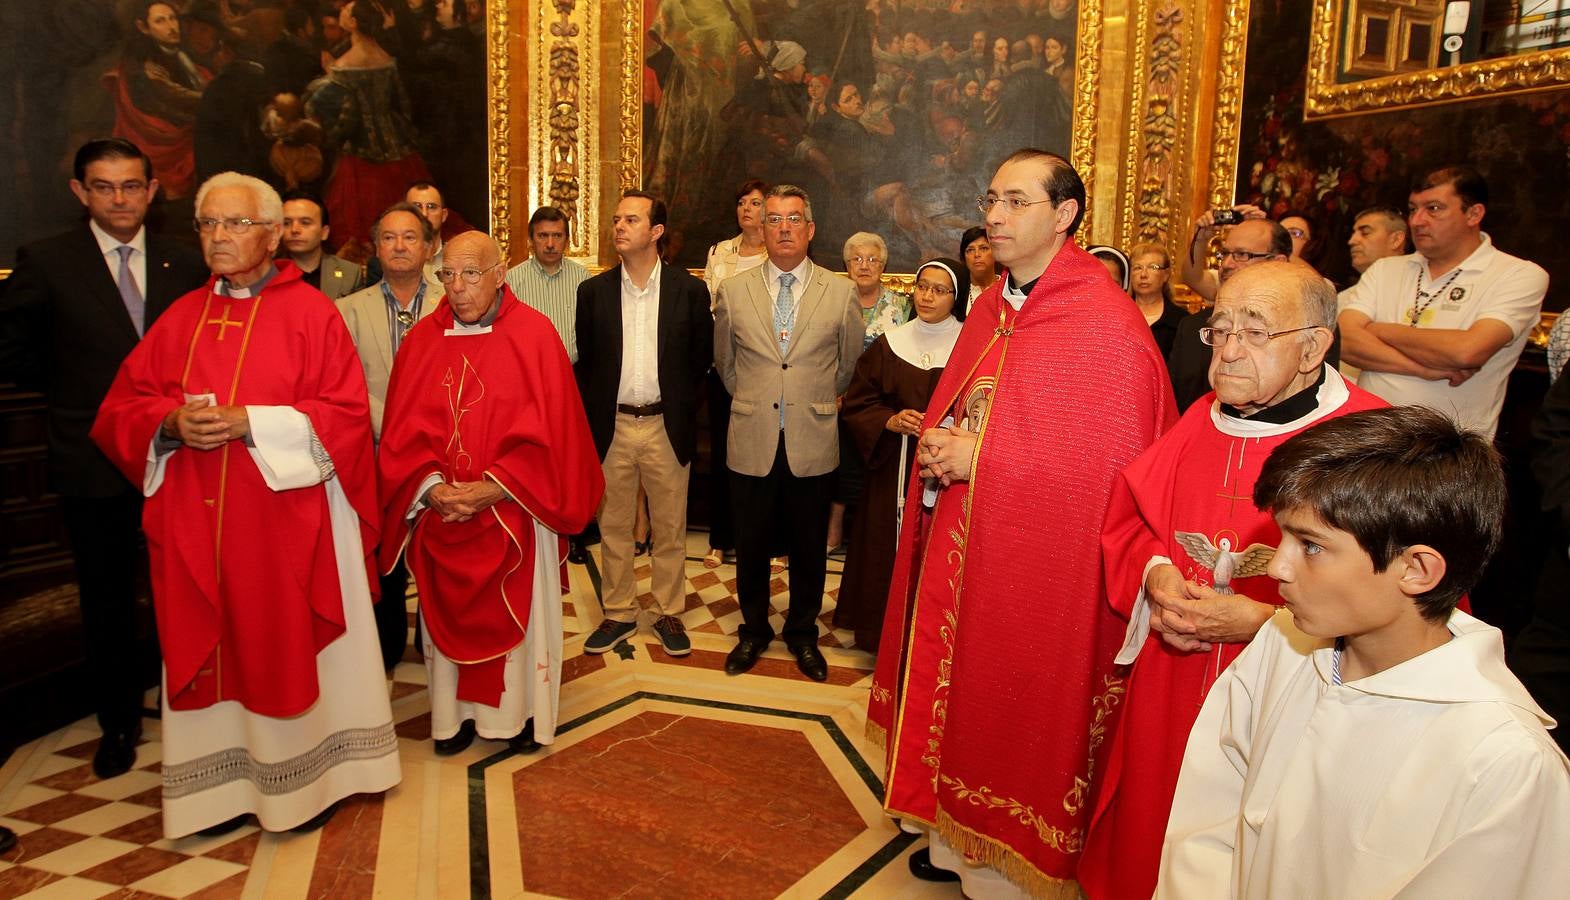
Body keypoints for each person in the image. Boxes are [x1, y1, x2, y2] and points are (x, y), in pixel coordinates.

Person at [870, 149, 1175, 896]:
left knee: (1010, 705)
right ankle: (952, 838)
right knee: (956, 685)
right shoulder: (996, 305)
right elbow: (972, 403)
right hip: (965, 544)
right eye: (991, 201)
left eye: (1015, 202)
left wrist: (984, 456)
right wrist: (945, 448)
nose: (995, 217)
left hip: (1038, 571)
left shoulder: (1102, 323)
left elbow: (1111, 475)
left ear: (1065, 214)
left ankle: (1006, 859)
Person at [89, 171, 400, 837]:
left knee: (283, 644)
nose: (219, 237)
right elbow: (121, 406)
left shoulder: (312, 314)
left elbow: (345, 416)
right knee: (212, 641)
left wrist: (251, 423)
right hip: (200, 530)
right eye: (208, 225)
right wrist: (170, 425)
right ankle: (216, 792)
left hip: (286, 526)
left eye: (235, 224)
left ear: (270, 234)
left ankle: (308, 784)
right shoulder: (181, 316)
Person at [1156, 406, 1570, 898]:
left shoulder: (1505, 763)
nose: (1277, 568)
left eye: (1310, 545)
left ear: (1417, 569)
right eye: (1282, 536)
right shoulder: (1282, 646)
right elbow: (1209, 818)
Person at [1077, 261, 1386, 900]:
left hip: (1302, 692)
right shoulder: (1202, 419)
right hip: (1175, 676)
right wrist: (1157, 576)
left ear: (1314, 347)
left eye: (1254, 332)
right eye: (1220, 329)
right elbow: (1133, 520)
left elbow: (1407, 605)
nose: (1229, 350)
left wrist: (1267, 623)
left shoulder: (1374, 441)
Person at [0, 139, 207, 779]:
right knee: (108, 598)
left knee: (191, 586)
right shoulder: (48, 260)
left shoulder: (186, 260)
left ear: (152, 190)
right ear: (81, 192)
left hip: (181, 456)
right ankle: (117, 723)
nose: (119, 199)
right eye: (104, 186)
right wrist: (80, 395)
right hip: (93, 459)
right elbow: (13, 350)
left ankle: (197, 706)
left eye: (131, 186)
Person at [378, 231, 603, 756]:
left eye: (471, 274)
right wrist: (431, 488)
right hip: (443, 519)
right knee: (444, 628)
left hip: (516, 514)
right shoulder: (421, 344)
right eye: (448, 275)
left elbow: (559, 437)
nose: (457, 288)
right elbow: (400, 436)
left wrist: (495, 487)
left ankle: (521, 718)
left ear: (501, 274)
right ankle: (451, 721)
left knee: (521, 631)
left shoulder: (535, 336)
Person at [713, 184, 865, 682]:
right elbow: (726, 366)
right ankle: (753, 631)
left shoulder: (840, 292)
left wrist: (811, 398)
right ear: (762, 226)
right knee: (751, 544)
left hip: (812, 436)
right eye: (773, 219)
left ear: (810, 229)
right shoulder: (733, 292)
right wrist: (759, 399)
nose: (782, 228)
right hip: (753, 434)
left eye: (793, 219)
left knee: (808, 547)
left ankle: (803, 634)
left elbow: (847, 367)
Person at [576, 191, 712, 657]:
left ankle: (668, 609)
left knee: (670, 527)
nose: (619, 227)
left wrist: (675, 407)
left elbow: (700, 361)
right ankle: (618, 612)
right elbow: (590, 363)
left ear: (655, 232)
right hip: (612, 425)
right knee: (612, 525)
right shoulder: (592, 292)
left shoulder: (689, 291)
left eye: (630, 220)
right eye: (616, 219)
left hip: (664, 423)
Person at [1338, 165, 1547, 439]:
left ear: (1474, 214)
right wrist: (1424, 369)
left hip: (1450, 454)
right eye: (1413, 209)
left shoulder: (1518, 274)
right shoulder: (1385, 269)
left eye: (1433, 209)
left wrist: (1378, 329)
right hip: (1369, 441)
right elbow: (1343, 339)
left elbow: (1468, 351)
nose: (1417, 221)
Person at [834, 258, 966, 652]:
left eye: (939, 289)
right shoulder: (891, 344)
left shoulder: (970, 345)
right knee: (883, 546)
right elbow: (859, 402)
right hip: (893, 464)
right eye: (922, 286)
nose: (927, 296)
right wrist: (890, 421)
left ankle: (932, 636)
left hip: (947, 468)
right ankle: (881, 630)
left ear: (955, 297)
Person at [336, 201, 444, 669]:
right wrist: (398, 430)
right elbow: (345, 385)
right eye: (389, 237)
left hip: (442, 454)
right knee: (383, 554)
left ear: (428, 246)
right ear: (375, 248)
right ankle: (384, 643)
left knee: (440, 554)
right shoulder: (345, 311)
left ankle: (434, 639)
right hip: (375, 453)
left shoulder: (454, 301)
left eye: (410, 237)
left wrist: (425, 433)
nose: (399, 246)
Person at [307, 0, 430, 261]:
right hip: (397, 147)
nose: (342, 10)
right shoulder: (386, 58)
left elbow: (321, 106)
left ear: (353, 23)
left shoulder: (345, 63)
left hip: (359, 155)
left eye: (348, 11)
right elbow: (403, 107)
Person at [698, 179, 770, 569]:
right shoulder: (720, 252)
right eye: (741, 202)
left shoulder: (776, 254)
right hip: (723, 365)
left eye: (755, 202)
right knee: (725, 455)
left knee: (764, 454)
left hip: (761, 369)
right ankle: (719, 539)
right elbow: (712, 305)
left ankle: (766, 541)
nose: (746, 208)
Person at [831, 232, 911, 553]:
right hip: (838, 399)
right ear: (847, 265)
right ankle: (834, 527)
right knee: (836, 460)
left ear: (883, 264)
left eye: (872, 259)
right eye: (857, 259)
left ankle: (871, 535)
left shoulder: (902, 305)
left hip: (882, 402)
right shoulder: (833, 301)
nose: (864, 266)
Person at [1168, 218, 1292, 410]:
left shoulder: (1297, 328)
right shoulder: (1192, 327)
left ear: (1277, 262)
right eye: (1224, 253)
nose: (1226, 263)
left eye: (1241, 254)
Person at [109, 2, 209, 202]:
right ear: (143, 27)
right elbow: (163, 106)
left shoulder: (179, 55)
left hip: (184, 122)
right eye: (160, 21)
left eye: (172, 19)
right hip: (162, 138)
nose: (171, 27)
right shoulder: (142, 67)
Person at [504, 206, 589, 361]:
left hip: (572, 374)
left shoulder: (582, 278)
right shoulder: (511, 281)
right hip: (529, 373)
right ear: (530, 239)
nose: (550, 244)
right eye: (543, 235)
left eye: (557, 235)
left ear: (567, 240)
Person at [281, 190, 361, 299]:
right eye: (286, 223)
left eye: (305, 222)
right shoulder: (267, 273)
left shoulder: (349, 273)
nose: (294, 230)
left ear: (324, 232)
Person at [1128, 241, 1187, 360]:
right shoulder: (1120, 315)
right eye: (1137, 268)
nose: (1143, 274)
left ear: (1166, 275)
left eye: (1152, 267)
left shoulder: (1181, 321)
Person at [1346, 204, 1408, 275]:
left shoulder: (1418, 283)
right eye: (1353, 234)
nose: (1351, 241)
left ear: (1396, 240)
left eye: (1365, 232)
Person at [960, 224, 998, 312]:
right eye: (970, 250)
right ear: (964, 258)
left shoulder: (1007, 286)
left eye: (983, 248)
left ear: (996, 253)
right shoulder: (957, 291)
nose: (977, 255)